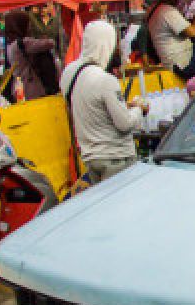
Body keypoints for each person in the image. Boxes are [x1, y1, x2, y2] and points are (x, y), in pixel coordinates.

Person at [59, 20, 148, 185]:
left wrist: (124, 105)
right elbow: (125, 124)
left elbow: (90, 105)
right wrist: (139, 109)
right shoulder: (105, 80)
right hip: (116, 157)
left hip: (90, 158)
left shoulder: (68, 74)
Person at [3, 10, 59, 100]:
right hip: (31, 87)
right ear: (20, 25)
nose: (30, 26)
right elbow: (50, 43)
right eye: (28, 23)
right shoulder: (22, 43)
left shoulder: (9, 44)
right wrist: (44, 39)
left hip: (19, 87)